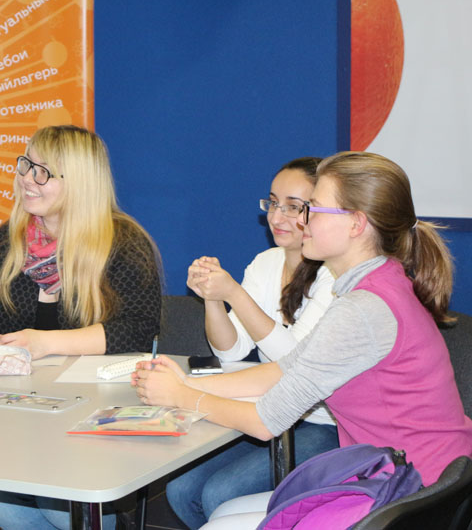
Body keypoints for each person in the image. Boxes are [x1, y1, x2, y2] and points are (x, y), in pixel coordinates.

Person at [134, 151, 472, 528]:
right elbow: (285, 369)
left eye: (313, 209)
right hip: (409, 477)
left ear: (356, 223)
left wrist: (182, 397)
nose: (301, 220)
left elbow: (264, 422)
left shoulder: (362, 309)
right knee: (226, 514)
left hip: (410, 493)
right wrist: (187, 383)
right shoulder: (378, 282)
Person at [0, 124, 162, 530]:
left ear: (79, 181)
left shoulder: (123, 242)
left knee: (55, 500)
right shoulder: (9, 240)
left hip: (99, 410)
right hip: (26, 411)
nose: (28, 179)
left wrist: (46, 342)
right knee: (1, 501)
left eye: (43, 172)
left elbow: (136, 329)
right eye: (26, 165)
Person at [166, 157, 339, 529]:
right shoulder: (266, 262)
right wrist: (213, 298)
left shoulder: (334, 276)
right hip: (267, 408)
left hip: (325, 422)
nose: (276, 217)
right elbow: (229, 349)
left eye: (293, 207)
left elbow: (294, 363)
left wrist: (234, 293)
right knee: (181, 489)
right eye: (273, 203)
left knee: (220, 493)